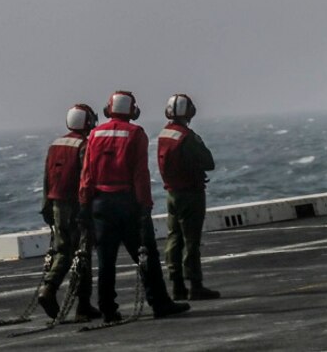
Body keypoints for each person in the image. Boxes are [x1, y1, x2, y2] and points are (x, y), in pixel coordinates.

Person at [78, 90, 190, 322]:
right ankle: (159, 303)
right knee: (146, 254)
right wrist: (145, 205)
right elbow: (140, 174)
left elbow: (87, 174)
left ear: (109, 109)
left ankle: (108, 309)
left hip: (100, 203)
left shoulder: (95, 135)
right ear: (132, 110)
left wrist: (84, 204)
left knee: (106, 261)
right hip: (128, 202)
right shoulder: (136, 134)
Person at [38, 104, 101, 322]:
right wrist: (89, 206)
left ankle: (51, 289)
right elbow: (87, 178)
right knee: (81, 253)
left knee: (62, 250)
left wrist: (46, 206)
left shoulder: (55, 144)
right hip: (76, 205)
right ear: (88, 122)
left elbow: (47, 177)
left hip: (56, 204)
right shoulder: (84, 145)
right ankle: (80, 304)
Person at [157, 93, 220, 301]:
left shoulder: (165, 134)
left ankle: (176, 284)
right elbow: (208, 162)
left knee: (174, 237)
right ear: (190, 112)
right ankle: (195, 284)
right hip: (190, 194)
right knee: (191, 240)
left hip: (172, 193)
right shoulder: (187, 136)